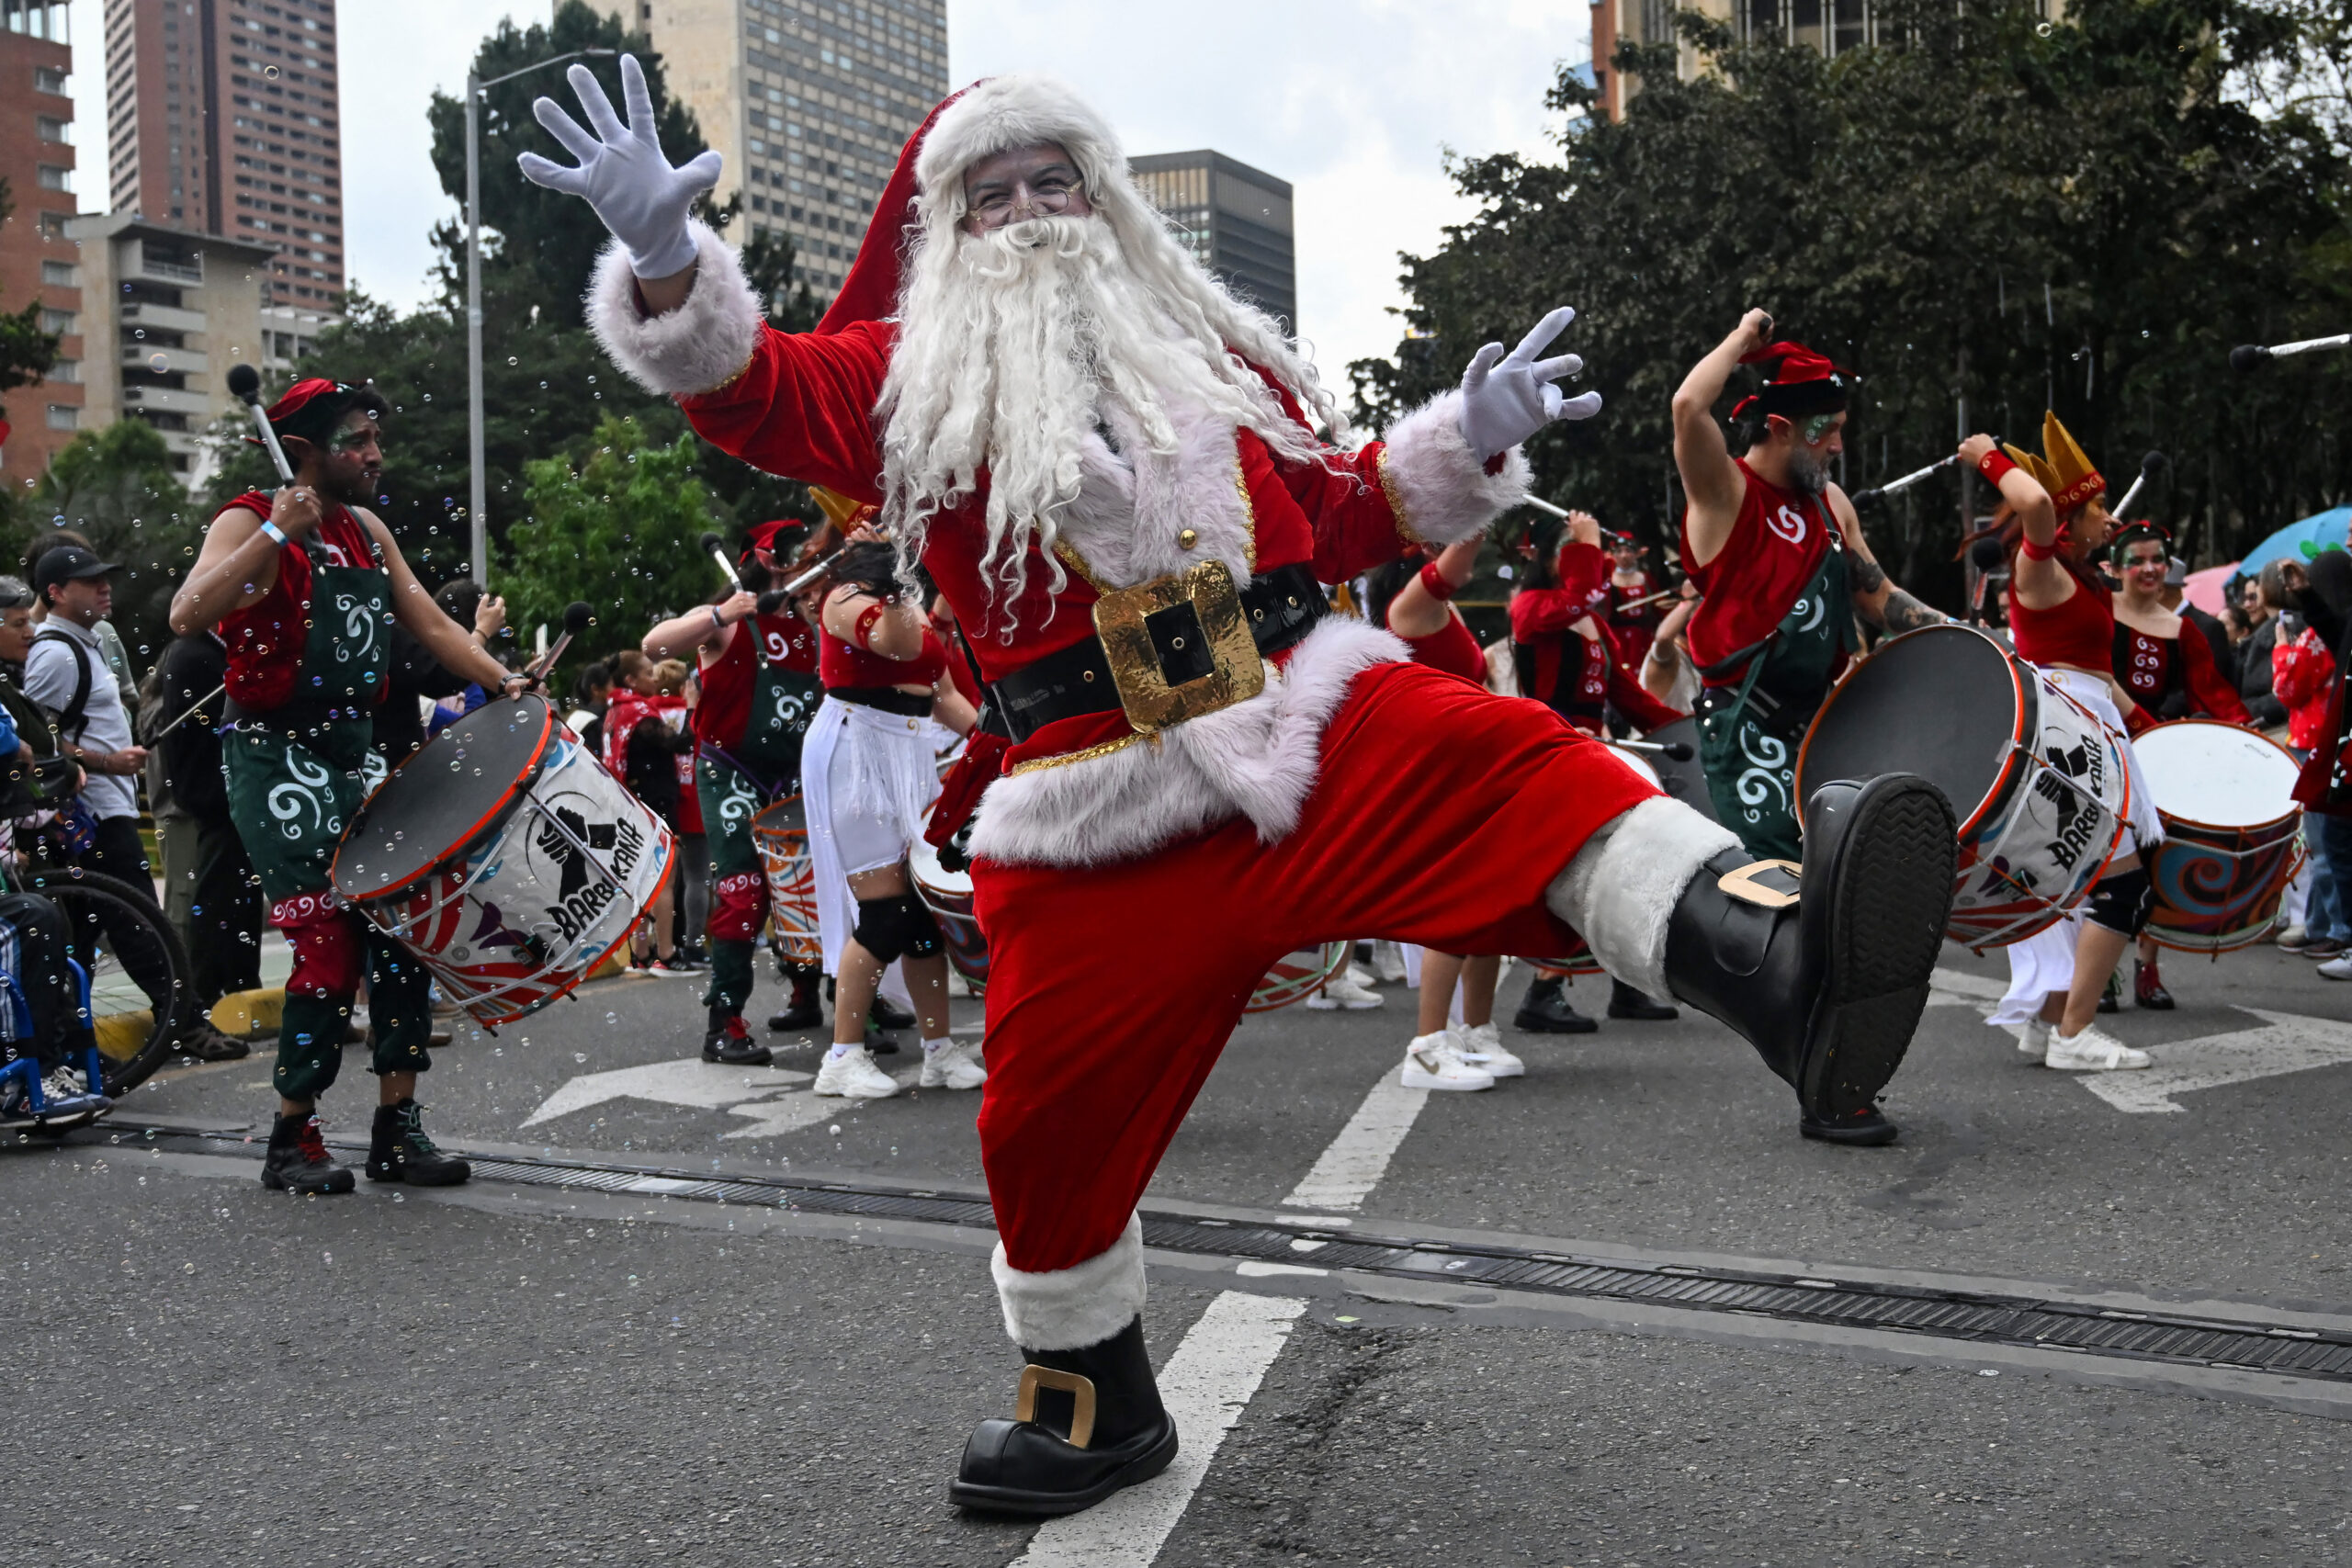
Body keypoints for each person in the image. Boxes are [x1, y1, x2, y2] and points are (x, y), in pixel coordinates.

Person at [526, 63, 1956, 1514]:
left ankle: (1785, 959)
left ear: (1106, 197)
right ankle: (1091, 1399)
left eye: (1056, 181)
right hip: (1093, 801)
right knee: (1042, 1121)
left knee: (1510, 760)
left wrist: (1465, 440)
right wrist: (663, 261)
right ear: (945, 230)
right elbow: (751, 390)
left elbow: (1343, 504)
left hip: (1301, 711)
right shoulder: (906, 377)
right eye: (993, 192)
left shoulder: (1211, 361)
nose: (1030, 214)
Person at [167, 377, 527, 1195]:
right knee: (327, 949)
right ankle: (293, 1132)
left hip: (359, 753)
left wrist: (503, 679)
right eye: (356, 440)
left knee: (405, 931)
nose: (374, 454)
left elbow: (431, 624)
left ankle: (396, 1127)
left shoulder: (366, 529)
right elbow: (187, 613)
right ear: (302, 452)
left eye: (374, 438)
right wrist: (270, 535)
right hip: (274, 758)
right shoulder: (245, 514)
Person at [1671, 320, 1949, 863]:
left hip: (1821, 723)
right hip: (1746, 725)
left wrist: (1968, 639)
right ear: (1779, 426)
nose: (1840, 446)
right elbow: (1687, 406)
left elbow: (1879, 598)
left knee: (1844, 879)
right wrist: (1741, 337)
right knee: (1781, 887)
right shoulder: (1725, 492)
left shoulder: (1832, 504)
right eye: (1828, 429)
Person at [1970, 413, 2165, 1072]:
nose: (2110, 521)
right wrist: (1987, 456)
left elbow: (2100, 675)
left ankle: (2049, 1018)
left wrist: (2150, 726)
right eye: (2098, 511)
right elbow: (2033, 501)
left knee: (2075, 879)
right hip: (2065, 737)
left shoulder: (2082, 580)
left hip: (2091, 722)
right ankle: (2076, 1032)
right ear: (2066, 521)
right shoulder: (2039, 570)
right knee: (2121, 885)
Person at [23, 545, 243, 1061]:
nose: (104, 587)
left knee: (81, 933)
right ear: (54, 593)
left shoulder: (85, 644)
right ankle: (186, 1024)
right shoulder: (56, 654)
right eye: (88, 581)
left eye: (105, 577)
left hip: (102, 810)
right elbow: (35, 740)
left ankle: (72, 1045)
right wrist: (105, 764)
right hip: (91, 815)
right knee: (142, 922)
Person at [802, 534, 980, 1098]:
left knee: (923, 912)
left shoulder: (916, 607)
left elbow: (942, 693)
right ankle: (842, 1056)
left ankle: (938, 1051)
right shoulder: (845, 597)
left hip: (907, 748)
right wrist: (911, 577)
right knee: (885, 911)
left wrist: (999, 747)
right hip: (857, 747)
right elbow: (897, 645)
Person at [640, 519, 826, 1063]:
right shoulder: (725, 620)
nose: (804, 561)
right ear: (762, 561)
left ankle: (807, 995)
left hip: (792, 775)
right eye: (792, 554)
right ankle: (724, 1023)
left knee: (807, 890)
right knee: (743, 894)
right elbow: (654, 646)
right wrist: (722, 614)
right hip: (731, 771)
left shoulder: (814, 622)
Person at [1508, 510, 1689, 1032]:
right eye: (1573, 548)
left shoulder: (1592, 621)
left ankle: (1627, 985)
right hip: (1551, 756)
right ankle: (1543, 989)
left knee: (1628, 865)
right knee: (1569, 873)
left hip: (1595, 757)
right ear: (1548, 558)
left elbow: (1629, 698)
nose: (1590, 556)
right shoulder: (1532, 606)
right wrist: (1587, 546)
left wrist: (1692, 729)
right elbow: (1581, 595)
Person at [2109, 524, 2249, 1009]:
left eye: (2158, 560)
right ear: (2115, 567)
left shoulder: (2183, 630)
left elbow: (2214, 693)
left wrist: (2247, 741)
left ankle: (2147, 967)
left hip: (2154, 761)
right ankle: (2099, 972)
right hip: (2098, 756)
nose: (2149, 568)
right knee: (2099, 866)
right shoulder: (2097, 615)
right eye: (2137, 559)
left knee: (2155, 864)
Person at [147, 628, 261, 1050]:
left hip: (222, 795)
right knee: (216, 897)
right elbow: (205, 733)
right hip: (215, 796)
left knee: (235, 896)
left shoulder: (203, 650)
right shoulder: (195, 653)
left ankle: (234, 984)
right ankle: (207, 994)